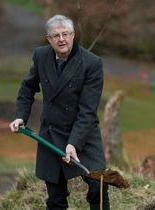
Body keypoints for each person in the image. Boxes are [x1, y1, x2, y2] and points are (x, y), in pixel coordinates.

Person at [9, 14, 109, 210]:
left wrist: (73, 143)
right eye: (56, 35)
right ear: (49, 39)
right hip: (51, 133)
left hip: (83, 133)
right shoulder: (40, 56)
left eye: (65, 34)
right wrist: (21, 116)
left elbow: (88, 111)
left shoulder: (92, 63)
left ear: (73, 35)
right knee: (55, 196)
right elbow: (27, 88)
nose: (61, 39)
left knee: (98, 184)